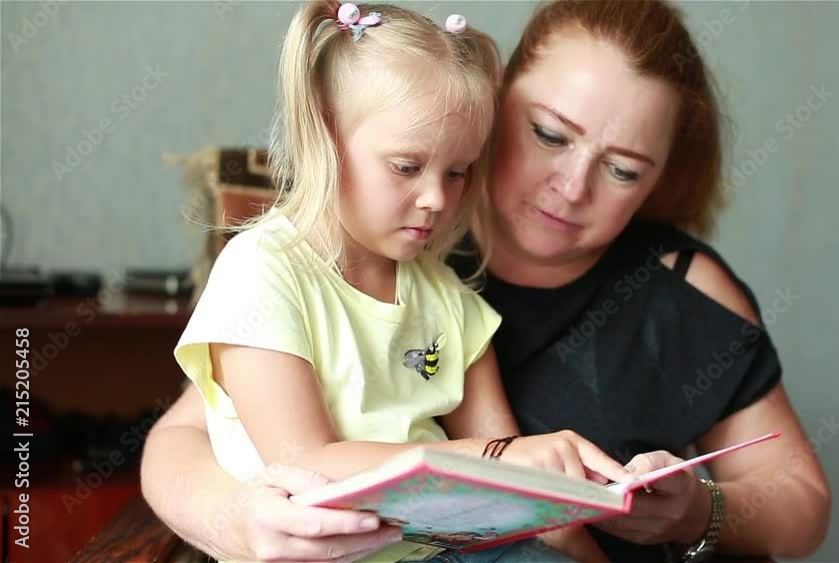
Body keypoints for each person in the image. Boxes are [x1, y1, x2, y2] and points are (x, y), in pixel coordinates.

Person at [142, 1, 832, 562]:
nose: (571, 187)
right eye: (549, 135)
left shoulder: (676, 289)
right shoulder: (374, 248)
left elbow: (802, 505)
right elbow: (186, 437)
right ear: (497, 104)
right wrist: (237, 521)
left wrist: (699, 511)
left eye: (622, 170)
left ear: (660, 179)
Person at [164, 1, 635, 561]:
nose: (437, 198)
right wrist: (491, 459)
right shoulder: (260, 272)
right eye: (407, 167)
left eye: (457, 172)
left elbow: (521, 487)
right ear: (325, 135)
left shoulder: (446, 297)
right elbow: (306, 465)